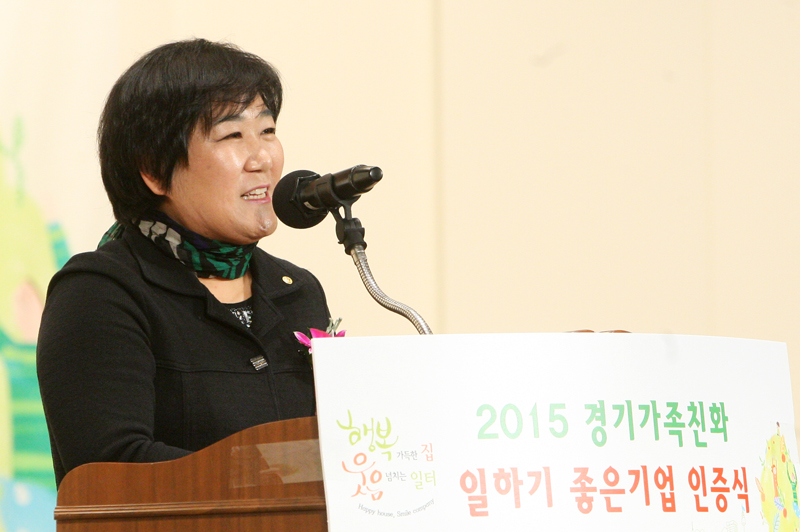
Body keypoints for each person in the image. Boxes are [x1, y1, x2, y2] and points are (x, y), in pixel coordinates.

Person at [36, 39, 330, 487]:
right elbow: (110, 466)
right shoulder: (101, 291)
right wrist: (274, 478)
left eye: (268, 131)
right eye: (233, 135)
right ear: (154, 168)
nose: (263, 158)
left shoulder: (297, 291)